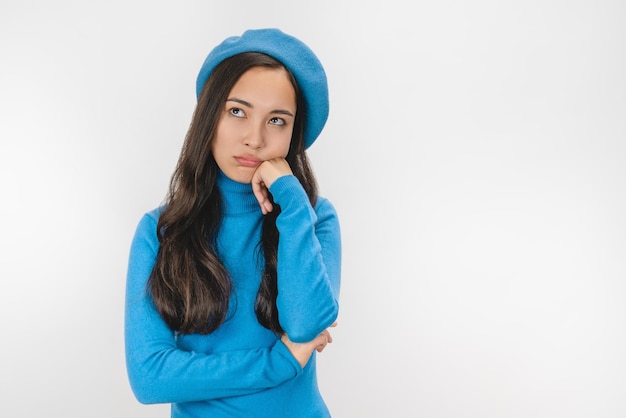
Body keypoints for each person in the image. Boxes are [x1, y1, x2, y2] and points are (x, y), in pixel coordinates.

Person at [124, 28, 341, 417]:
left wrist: (290, 197)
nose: (254, 139)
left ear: (294, 134)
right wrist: (281, 361)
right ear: (209, 117)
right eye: (237, 111)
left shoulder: (312, 216)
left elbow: (306, 324)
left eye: (277, 120)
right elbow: (150, 376)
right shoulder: (160, 231)